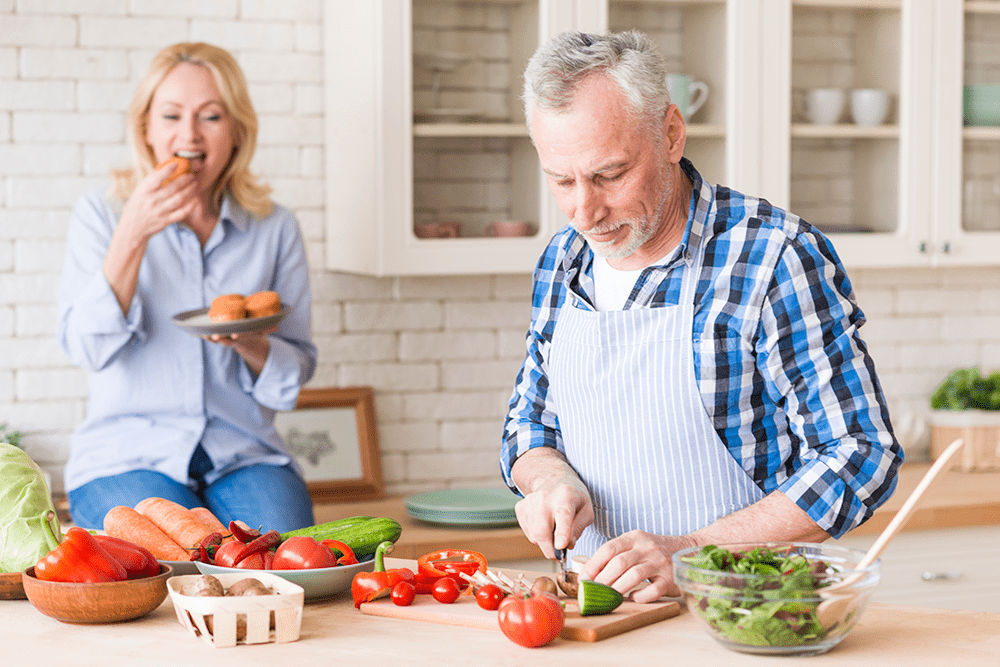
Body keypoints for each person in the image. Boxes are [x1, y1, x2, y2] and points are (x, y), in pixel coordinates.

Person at [500, 31, 903, 602]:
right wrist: (548, 479)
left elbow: (861, 455)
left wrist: (692, 549)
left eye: (610, 174)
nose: (584, 211)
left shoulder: (771, 257)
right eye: (561, 181)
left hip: (745, 612)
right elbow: (530, 422)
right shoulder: (563, 261)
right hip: (597, 614)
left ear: (670, 133)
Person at [58, 42, 318, 534]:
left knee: (279, 562)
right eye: (172, 115)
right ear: (147, 130)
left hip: (243, 451)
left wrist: (252, 341)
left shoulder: (274, 227)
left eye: (211, 116)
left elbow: (294, 372)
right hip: (125, 453)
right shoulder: (102, 215)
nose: (189, 135)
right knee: (172, 561)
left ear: (237, 131)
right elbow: (87, 349)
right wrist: (132, 234)